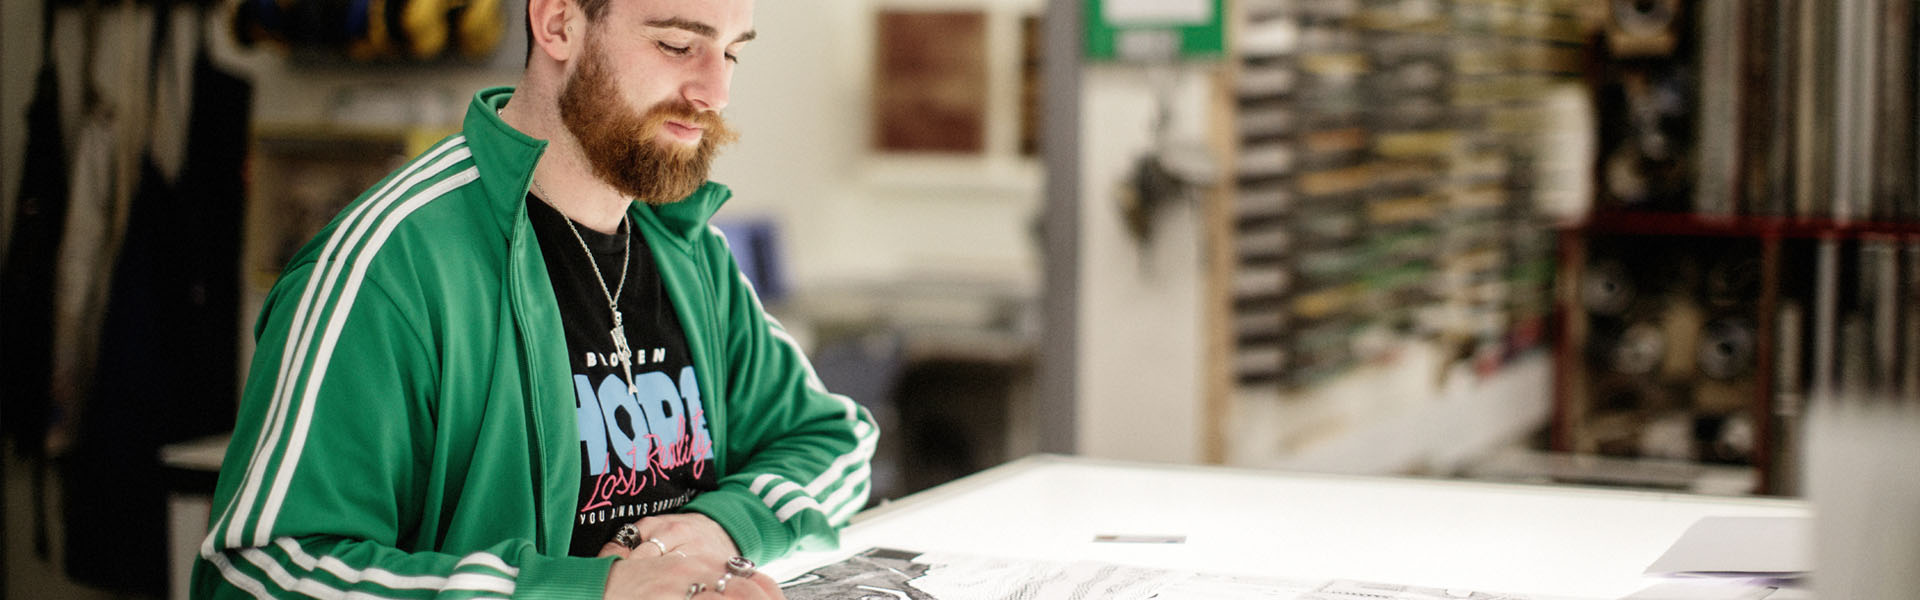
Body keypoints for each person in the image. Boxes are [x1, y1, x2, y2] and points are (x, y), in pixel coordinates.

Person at [189, 0, 877, 597]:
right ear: (557, 24)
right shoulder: (387, 264)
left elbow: (834, 442)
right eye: (676, 44)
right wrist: (587, 590)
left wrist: (720, 526)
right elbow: (260, 577)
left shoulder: (689, 250)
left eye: (731, 53)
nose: (715, 90)